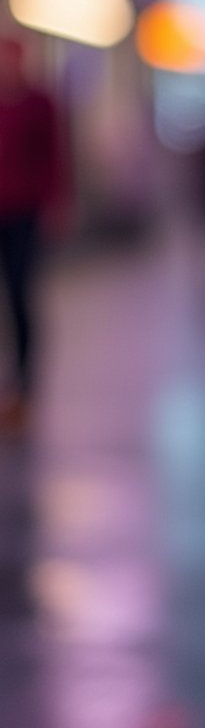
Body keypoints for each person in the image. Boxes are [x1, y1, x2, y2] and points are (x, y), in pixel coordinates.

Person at [0, 38, 61, 434]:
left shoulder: (40, 103)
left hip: (24, 212)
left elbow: (54, 156)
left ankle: (24, 387)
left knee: (21, 296)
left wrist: (54, 202)